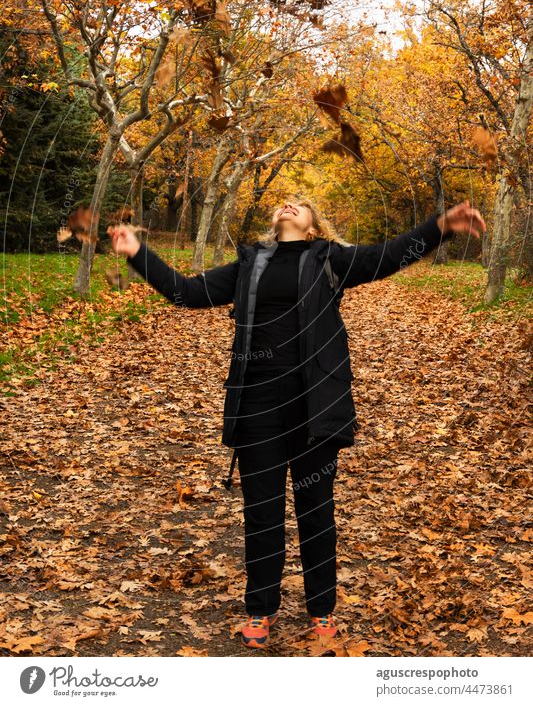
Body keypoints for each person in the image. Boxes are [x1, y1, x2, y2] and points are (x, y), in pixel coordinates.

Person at [110, 196, 486, 649]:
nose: (289, 204)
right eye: (285, 202)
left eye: (301, 204)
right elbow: (188, 293)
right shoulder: (251, 263)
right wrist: (137, 253)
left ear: (312, 226)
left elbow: (389, 255)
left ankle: (321, 610)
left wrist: (441, 226)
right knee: (262, 512)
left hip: (315, 406)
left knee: (316, 510)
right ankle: (261, 609)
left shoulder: (331, 258)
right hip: (257, 405)